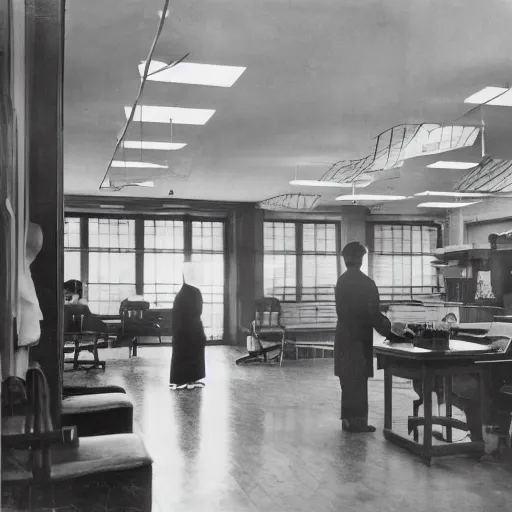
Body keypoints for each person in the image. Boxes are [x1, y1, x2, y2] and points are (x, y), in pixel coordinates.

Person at [335, 241, 399, 433]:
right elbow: (373, 314)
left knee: (347, 380)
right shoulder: (366, 283)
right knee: (359, 380)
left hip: (343, 336)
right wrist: (392, 333)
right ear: (361, 259)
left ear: (346, 259)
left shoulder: (342, 281)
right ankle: (359, 423)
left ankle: (347, 420)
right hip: (359, 338)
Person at [170, 262, 207, 390]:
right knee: (192, 351)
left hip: (183, 330)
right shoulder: (194, 292)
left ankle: (186, 379)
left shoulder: (183, 293)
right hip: (190, 329)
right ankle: (189, 378)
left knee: (185, 353)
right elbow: (198, 311)